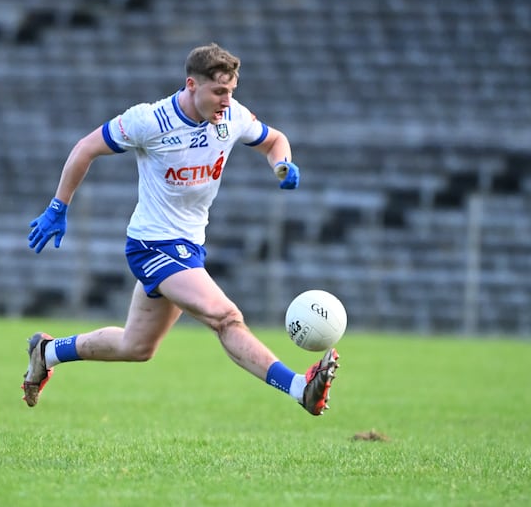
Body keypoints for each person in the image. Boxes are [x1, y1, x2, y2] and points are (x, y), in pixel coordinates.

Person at [22, 43, 339, 416]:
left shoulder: (232, 117)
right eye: (219, 91)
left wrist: (282, 164)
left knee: (136, 347)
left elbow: (273, 139)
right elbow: (85, 148)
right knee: (225, 318)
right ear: (192, 85)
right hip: (153, 246)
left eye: (231, 91)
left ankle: (47, 352)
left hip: (189, 246)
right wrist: (59, 206)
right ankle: (300, 388)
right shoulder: (150, 120)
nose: (227, 100)